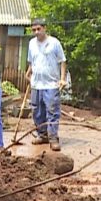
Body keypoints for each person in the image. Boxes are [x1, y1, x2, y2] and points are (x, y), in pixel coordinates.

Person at [26, 18, 67, 151]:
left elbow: (62, 61)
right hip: (36, 84)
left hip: (51, 84)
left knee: (52, 111)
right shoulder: (31, 43)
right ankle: (42, 134)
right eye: (34, 30)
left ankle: (53, 138)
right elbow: (32, 61)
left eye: (38, 29)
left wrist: (62, 79)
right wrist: (28, 73)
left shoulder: (54, 43)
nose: (36, 32)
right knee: (37, 111)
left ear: (44, 28)